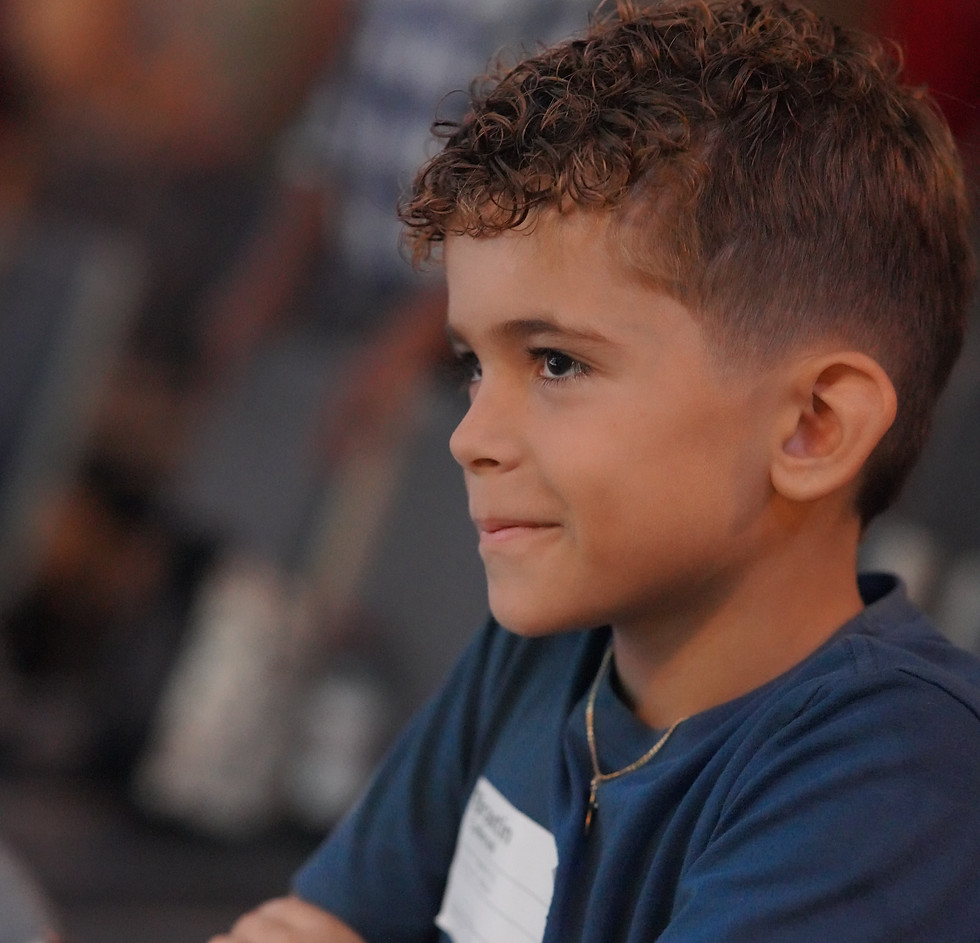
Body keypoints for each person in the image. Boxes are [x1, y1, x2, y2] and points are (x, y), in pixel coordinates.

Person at [211, 0, 980, 940]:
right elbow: (317, 922)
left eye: (557, 362)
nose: (468, 436)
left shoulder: (896, 769)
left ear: (813, 427)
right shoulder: (543, 646)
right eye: (471, 367)